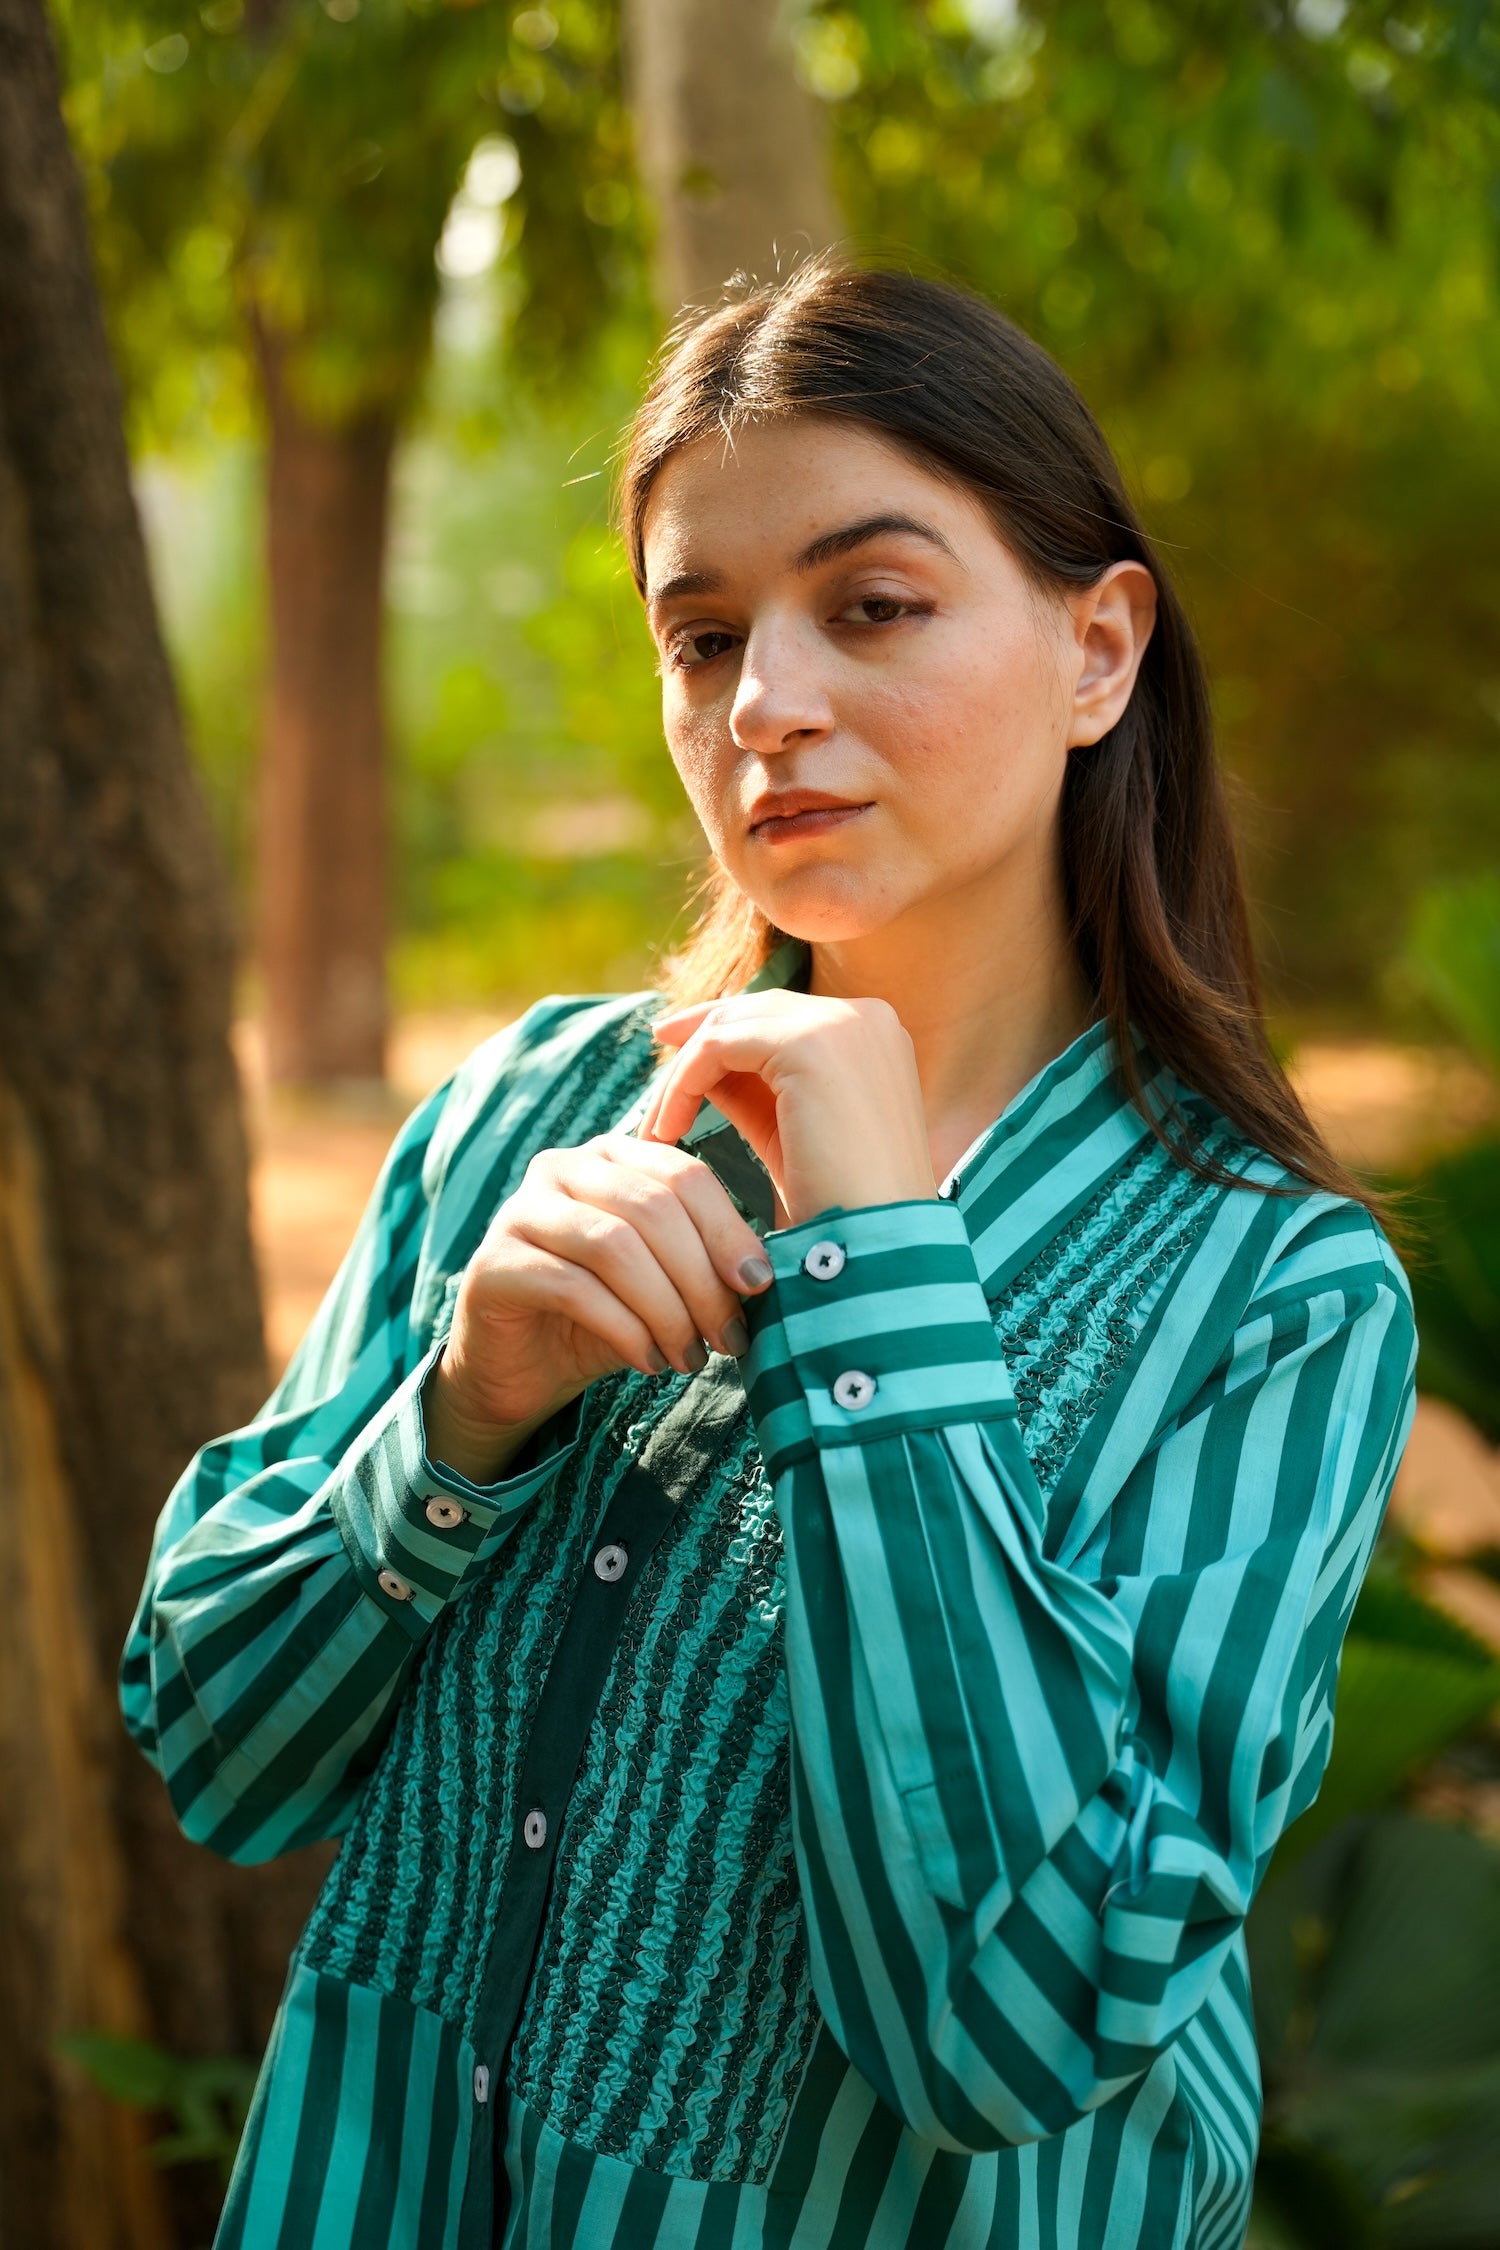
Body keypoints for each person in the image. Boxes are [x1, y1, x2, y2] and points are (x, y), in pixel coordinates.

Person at [123, 258, 1416, 2250]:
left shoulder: (1276, 1303)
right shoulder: (524, 1119)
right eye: (703, 636)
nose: (768, 708)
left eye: (872, 605)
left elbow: (1008, 2030)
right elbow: (211, 1750)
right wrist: (459, 1419)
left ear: (1101, 649)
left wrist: (886, 1264)